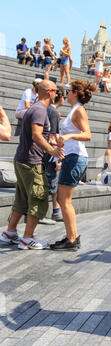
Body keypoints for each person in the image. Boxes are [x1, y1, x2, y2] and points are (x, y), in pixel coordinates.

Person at [0, 81, 64, 250]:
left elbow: (37, 135)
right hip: (31, 162)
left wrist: (52, 144)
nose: (58, 94)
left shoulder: (35, 109)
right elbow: (36, 135)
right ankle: (27, 238)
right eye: (56, 91)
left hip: (22, 160)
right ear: (49, 92)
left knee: (22, 199)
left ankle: (10, 232)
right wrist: (52, 151)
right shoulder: (39, 110)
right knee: (39, 198)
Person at [50, 80, 97, 251]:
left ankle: (72, 239)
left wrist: (68, 137)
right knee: (63, 200)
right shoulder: (73, 111)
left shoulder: (79, 110)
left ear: (75, 93)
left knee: (64, 200)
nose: (67, 94)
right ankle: (72, 236)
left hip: (75, 158)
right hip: (71, 157)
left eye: (69, 91)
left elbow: (87, 134)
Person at [45, 88, 65, 222]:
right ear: (61, 98)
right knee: (53, 180)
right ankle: (56, 211)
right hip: (49, 153)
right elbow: (53, 137)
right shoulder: (53, 112)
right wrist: (58, 158)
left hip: (44, 150)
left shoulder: (46, 109)